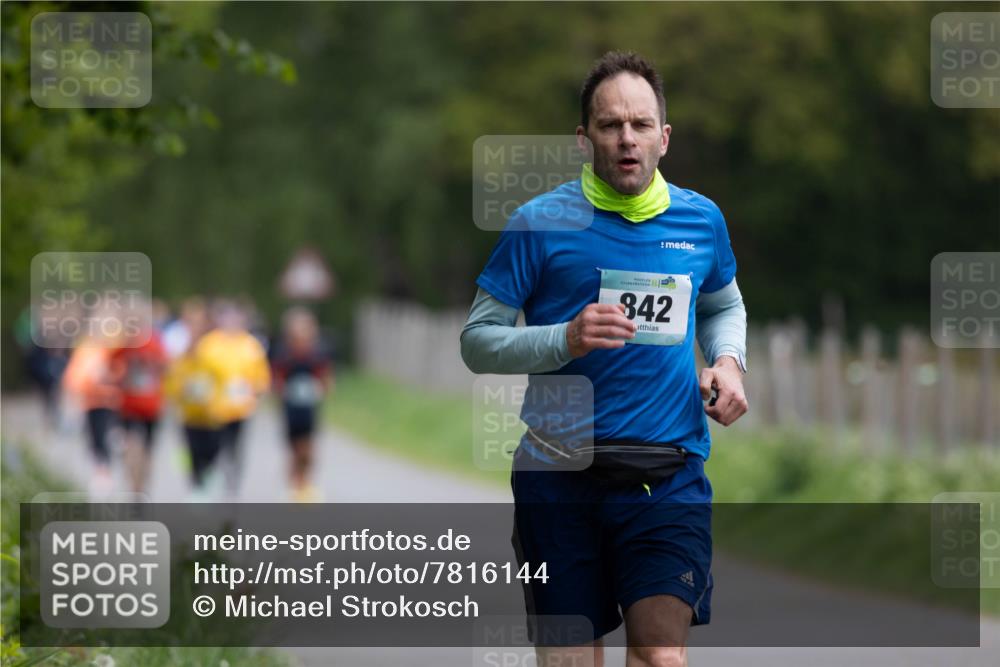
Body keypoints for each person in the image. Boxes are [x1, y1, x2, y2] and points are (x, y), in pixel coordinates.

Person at [461, 51, 748, 667]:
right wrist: (564, 337)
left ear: (663, 138)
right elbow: (477, 342)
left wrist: (727, 360)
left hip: (667, 472)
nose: (626, 138)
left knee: (661, 656)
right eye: (610, 124)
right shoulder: (537, 224)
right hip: (558, 476)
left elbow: (725, 304)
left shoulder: (701, 221)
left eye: (641, 125)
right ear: (583, 137)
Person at [194, 300, 271, 499]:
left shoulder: (250, 345)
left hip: (240, 408)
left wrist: (258, 393)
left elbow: (260, 376)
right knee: (213, 447)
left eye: (235, 318)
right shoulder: (209, 344)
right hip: (214, 408)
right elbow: (199, 374)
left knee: (235, 447)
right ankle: (207, 480)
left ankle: (232, 485)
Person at [271, 307, 333, 502]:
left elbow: (326, 380)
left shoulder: (318, 355)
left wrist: (321, 389)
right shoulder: (284, 355)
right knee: (293, 449)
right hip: (290, 409)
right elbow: (276, 380)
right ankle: (293, 484)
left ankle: (306, 482)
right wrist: (282, 392)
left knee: (307, 448)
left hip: (309, 408)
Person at [109, 320, 168, 494]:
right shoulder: (121, 347)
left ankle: (143, 484)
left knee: (148, 450)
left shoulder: (154, 344)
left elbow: (165, 367)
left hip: (151, 406)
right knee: (132, 447)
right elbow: (110, 368)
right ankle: (134, 486)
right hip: (128, 407)